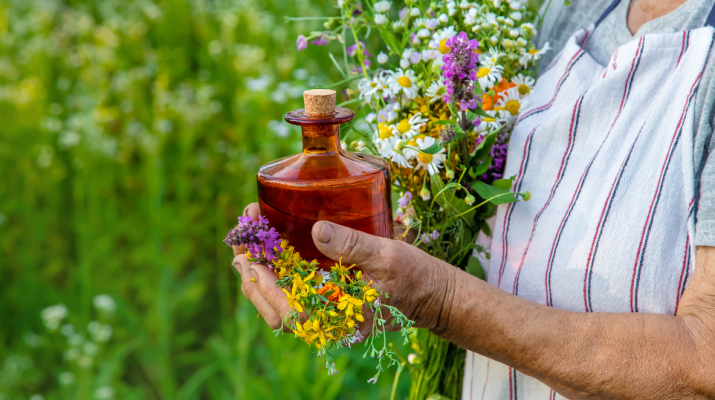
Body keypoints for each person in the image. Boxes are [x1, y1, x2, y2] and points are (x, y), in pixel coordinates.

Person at [231, 0, 715, 398]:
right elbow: (495, 222)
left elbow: (703, 363)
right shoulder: (572, 13)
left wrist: (438, 299)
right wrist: (369, 290)